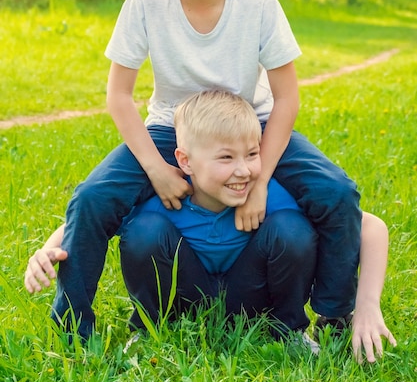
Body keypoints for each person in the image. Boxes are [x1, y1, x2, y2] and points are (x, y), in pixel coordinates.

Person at [51, 0, 362, 341]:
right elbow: (118, 97)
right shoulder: (145, 2)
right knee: (93, 199)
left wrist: (260, 182)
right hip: (170, 128)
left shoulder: (257, 2)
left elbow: (287, 97)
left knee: (337, 194)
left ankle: (335, 325)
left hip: (247, 124)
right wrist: (156, 169)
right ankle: (74, 329)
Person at [26, 91, 396, 363]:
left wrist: (366, 305)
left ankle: (287, 332)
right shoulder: (166, 194)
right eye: (225, 158)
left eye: (252, 154)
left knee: (292, 230)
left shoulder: (266, 193)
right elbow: (87, 223)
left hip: (254, 298)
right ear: (184, 161)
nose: (243, 170)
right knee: (144, 231)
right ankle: (150, 329)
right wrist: (47, 249)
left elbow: (372, 228)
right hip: (184, 297)